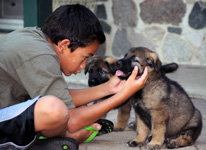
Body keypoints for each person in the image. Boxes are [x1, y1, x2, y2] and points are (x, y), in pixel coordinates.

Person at [0, 4, 148, 149]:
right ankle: (57, 139)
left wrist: (109, 88)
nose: (83, 65)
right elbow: (69, 118)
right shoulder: (38, 54)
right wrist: (122, 96)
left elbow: (60, 96)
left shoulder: (35, 39)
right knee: (55, 109)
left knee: (70, 105)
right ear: (64, 45)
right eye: (84, 57)